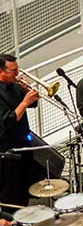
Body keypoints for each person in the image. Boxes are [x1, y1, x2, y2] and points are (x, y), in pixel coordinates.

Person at [0, 54, 39, 212]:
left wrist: (28, 90)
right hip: (8, 149)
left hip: (24, 142)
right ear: (1, 71)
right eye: (13, 70)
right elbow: (7, 121)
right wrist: (24, 102)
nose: (17, 74)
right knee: (10, 189)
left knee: (24, 183)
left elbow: (33, 104)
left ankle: (24, 213)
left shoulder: (15, 85)